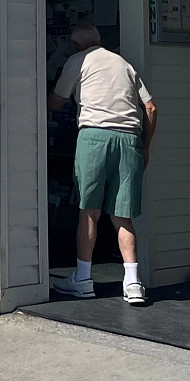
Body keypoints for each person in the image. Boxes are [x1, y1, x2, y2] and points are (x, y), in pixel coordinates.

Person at [49, 26, 155, 304]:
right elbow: (151, 108)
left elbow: (56, 102)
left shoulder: (78, 60)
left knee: (89, 211)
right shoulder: (123, 63)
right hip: (129, 138)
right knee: (122, 215)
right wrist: (144, 146)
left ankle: (83, 279)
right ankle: (133, 283)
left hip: (94, 137)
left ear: (76, 44)